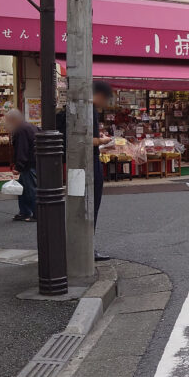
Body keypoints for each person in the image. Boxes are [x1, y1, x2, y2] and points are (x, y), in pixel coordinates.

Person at [57, 81, 115, 261]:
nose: (106, 103)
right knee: (90, 204)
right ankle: (85, 249)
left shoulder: (72, 109)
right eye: (106, 98)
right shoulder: (89, 111)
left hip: (74, 164)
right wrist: (103, 141)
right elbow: (86, 140)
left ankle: (75, 246)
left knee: (78, 205)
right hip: (88, 163)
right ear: (98, 95)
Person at [5, 109, 38, 222]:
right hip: (32, 162)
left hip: (29, 164)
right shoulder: (28, 126)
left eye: (8, 121)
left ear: (13, 120)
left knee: (30, 189)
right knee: (23, 189)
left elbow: (22, 150)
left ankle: (36, 213)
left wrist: (18, 167)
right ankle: (24, 212)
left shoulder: (21, 130)